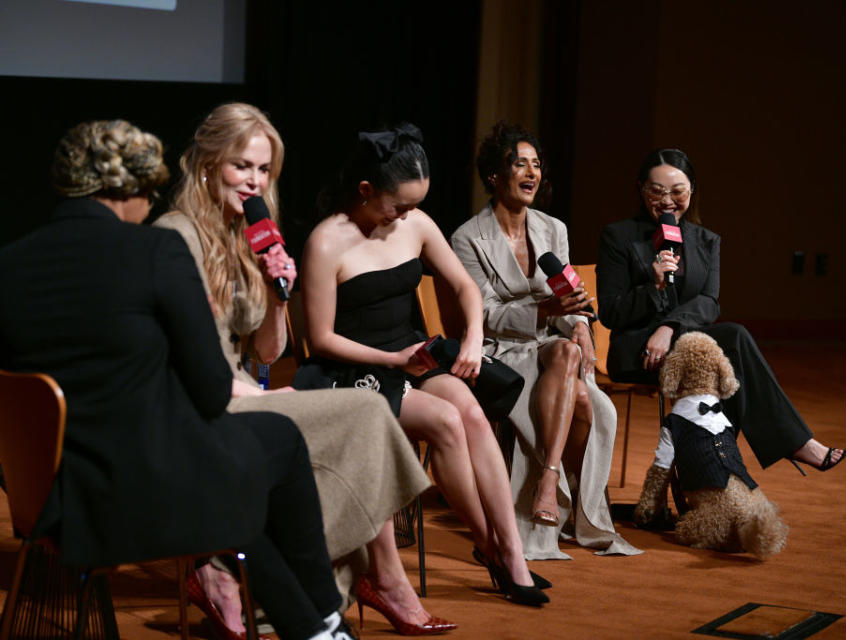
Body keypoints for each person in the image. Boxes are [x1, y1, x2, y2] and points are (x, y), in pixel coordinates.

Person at [0, 120, 353, 640]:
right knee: (276, 443)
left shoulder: (8, 263)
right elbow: (211, 393)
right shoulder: (155, 252)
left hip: (46, 501)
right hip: (137, 499)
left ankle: (317, 628)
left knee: (230, 481)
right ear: (134, 190)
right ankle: (324, 615)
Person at [154, 104, 454, 636]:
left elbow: (269, 354)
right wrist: (238, 391)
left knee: (365, 412)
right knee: (361, 415)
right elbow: (178, 354)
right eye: (241, 165)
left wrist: (275, 294)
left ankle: (237, 571)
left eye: (264, 170)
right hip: (192, 398)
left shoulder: (247, 235)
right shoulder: (176, 234)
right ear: (206, 164)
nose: (254, 180)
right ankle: (367, 580)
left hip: (241, 388)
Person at [298, 124, 549, 607]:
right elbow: (322, 339)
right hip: (354, 369)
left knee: (474, 413)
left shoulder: (415, 224)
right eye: (400, 206)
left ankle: (512, 553)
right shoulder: (326, 241)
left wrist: (474, 338)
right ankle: (489, 547)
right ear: (366, 191)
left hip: (412, 352)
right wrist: (393, 359)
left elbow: (465, 288)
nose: (408, 216)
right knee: (447, 420)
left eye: (415, 205)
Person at [596, 147, 846, 527]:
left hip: (685, 349)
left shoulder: (706, 240)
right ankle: (791, 446)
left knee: (728, 344)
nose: (667, 201)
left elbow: (709, 303)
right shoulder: (619, 236)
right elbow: (612, 313)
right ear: (641, 190)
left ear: (692, 191)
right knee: (731, 344)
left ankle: (710, 494)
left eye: (677, 191)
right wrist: (653, 283)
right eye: (656, 191)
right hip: (638, 351)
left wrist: (670, 327)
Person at [450, 122, 640, 560]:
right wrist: (545, 312)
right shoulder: (467, 238)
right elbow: (484, 314)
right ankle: (563, 495)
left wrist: (579, 326)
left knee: (571, 352)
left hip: (552, 346)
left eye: (536, 164)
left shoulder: (553, 229)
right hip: (498, 350)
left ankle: (548, 483)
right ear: (496, 176)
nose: (531, 172)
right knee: (586, 404)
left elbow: (568, 298)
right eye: (520, 164)